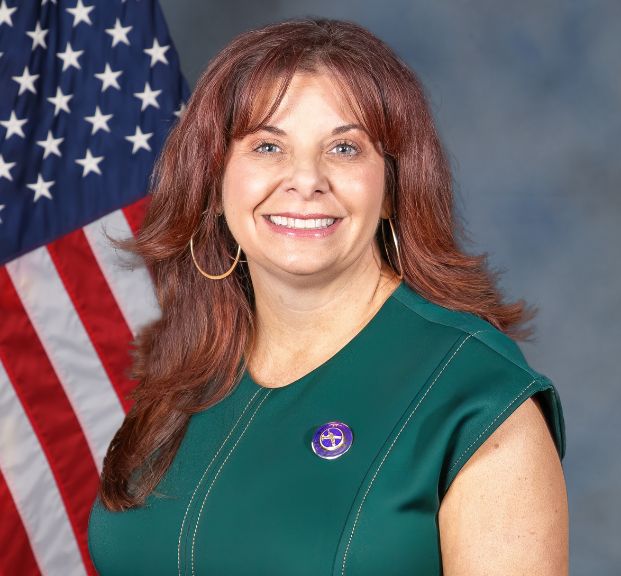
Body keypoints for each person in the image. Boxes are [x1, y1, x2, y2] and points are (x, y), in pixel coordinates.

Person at [87, 17, 568, 576]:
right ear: (215, 184)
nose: (305, 179)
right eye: (267, 145)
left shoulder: (478, 399)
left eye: (343, 147)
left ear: (392, 188)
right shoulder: (189, 365)